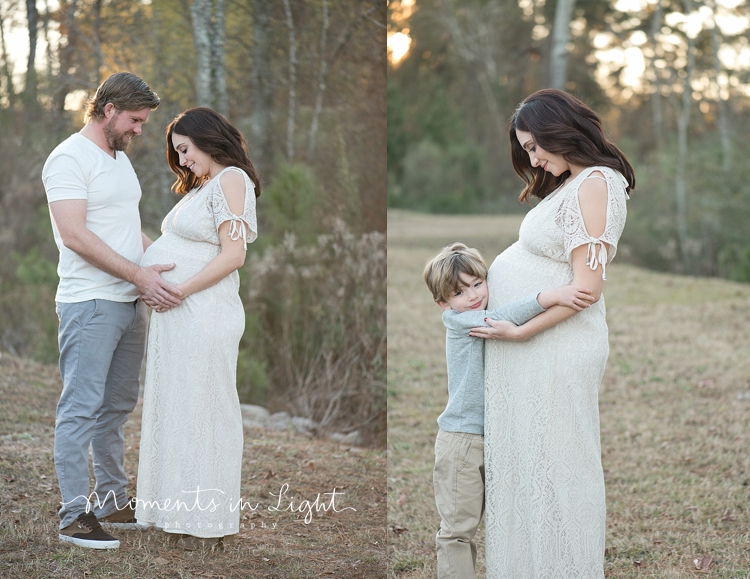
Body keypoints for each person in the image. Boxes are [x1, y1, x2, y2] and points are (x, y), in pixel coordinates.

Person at [468, 89, 635, 577]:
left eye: (535, 146)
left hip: (555, 346)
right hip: (532, 345)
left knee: (559, 463)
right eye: (526, 150)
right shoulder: (574, 182)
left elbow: (587, 288)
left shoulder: (597, 183)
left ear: (561, 132)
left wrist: (521, 333)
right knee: (529, 460)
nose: (532, 158)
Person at [42, 72, 183, 549]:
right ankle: (73, 517)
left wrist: (158, 267)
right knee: (80, 407)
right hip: (90, 303)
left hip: (127, 302)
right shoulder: (68, 158)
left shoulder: (117, 159)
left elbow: (126, 228)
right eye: (136, 120)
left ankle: (110, 501)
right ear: (108, 111)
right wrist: (139, 275)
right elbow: (75, 235)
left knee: (117, 406)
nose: (140, 130)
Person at [423, 242, 595, 579]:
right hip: (462, 440)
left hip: (494, 436)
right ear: (444, 303)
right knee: (458, 529)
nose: (472, 295)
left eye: (477, 283)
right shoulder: (459, 321)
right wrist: (549, 297)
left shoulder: (474, 305)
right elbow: (498, 319)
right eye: (459, 292)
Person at [134, 107, 260, 551]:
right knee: (181, 410)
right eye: (178, 153)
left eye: (185, 149)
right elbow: (178, 245)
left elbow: (233, 255)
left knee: (207, 411)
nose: (182, 160)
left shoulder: (232, 179)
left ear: (207, 138)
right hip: (180, 316)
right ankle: (179, 512)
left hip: (204, 313)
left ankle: (209, 518)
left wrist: (179, 290)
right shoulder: (204, 188)